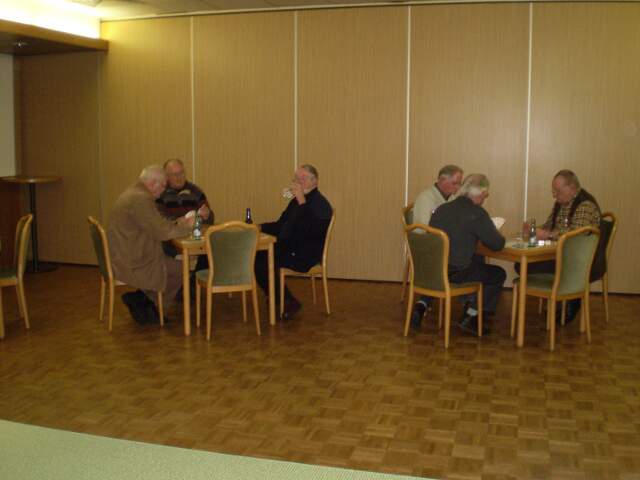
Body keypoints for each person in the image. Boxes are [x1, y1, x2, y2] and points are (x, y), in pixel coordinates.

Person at [108, 165, 194, 324]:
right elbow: (162, 233)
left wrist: (177, 223)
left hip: (126, 253)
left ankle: (143, 300)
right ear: (154, 184)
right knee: (181, 269)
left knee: (175, 265)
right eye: (163, 186)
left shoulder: (134, 193)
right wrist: (186, 227)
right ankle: (149, 303)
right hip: (133, 261)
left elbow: (155, 224)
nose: (163, 191)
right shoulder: (140, 199)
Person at [429, 174, 506, 334]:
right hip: (456, 272)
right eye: (486, 194)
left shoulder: (442, 209)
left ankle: (472, 306)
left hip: (435, 269)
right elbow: (497, 244)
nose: (485, 197)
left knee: (477, 259)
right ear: (481, 194)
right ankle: (472, 316)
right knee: (498, 274)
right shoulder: (477, 213)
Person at [523, 169, 601, 323]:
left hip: (579, 262)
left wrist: (547, 235)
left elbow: (576, 236)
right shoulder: (561, 202)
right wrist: (533, 230)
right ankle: (558, 297)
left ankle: (571, 298)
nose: (554, 194)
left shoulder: (585, 205)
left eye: (557, 191)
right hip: (561, 254)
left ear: (572, 187)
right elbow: (548, 226)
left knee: (528, 266)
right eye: (553, 190)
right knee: (522, 265)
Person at [256, 164, 333, 320]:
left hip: (305, 253)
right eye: (296, 178)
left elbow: (309, 231)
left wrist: (302, 202)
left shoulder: (320, 203)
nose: (299, 181)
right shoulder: (296, 201)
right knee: (257, 255)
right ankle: (277, 296)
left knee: (264, 260)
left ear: (315, 181)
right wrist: (259, 227)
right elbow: (281, 225)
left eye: (303, 178)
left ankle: (288, 301)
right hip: (290, 246)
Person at [410, 164, 464, 328]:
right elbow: (424, 228)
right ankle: (471, 306)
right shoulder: (426, 198)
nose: (458, 187)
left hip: (444, 246)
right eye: (455, 183)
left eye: (459, 183)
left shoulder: (452, 200)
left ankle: (423, 303)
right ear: (441, 180)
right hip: (427, 247)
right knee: (462, 261)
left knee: (463, 257)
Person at [156, 158, 213, 262]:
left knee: (214, 244)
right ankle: (180, 258)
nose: (179, 177)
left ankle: (199, 268)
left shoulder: (195, 191)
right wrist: (177, 221)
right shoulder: (160, 193)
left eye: (181, 173)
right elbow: (159, 219)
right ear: (166, 177)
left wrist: (207, 215)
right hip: (172, 240)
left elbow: (210, 219)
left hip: (195, 238)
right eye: (175, 174)